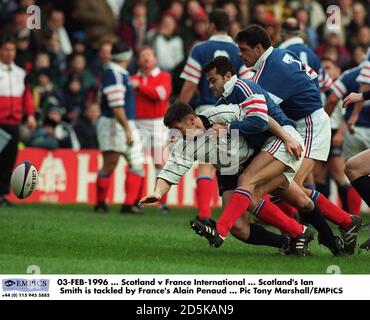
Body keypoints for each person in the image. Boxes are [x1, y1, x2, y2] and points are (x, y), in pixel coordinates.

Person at [190, 56, 343, 256]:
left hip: (276, 146)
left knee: (266, 192)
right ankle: (297, 238)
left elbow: (263, 120)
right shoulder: (218, 108)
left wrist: (286, 137)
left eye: (213, 80)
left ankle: (319, 235)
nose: (210, 86)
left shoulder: (242, 89)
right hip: (254, 157)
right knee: (242, 224)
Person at [235, 25, 361, 255]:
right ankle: (336, 224)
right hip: (300, 123)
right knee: (288, 187)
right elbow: (312, 78)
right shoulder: (282, 54)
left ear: (258, 47)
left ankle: (306, 233)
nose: (240, 55)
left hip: (308, 124)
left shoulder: (268, 72)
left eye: (243, 50)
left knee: (289, 186)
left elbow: (261, 118)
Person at [140, 101, 314, 256]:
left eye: (178, 129)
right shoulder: (183, 145)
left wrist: (286, 137)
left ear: (192, 120)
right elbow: (169, 174)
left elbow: (260, 117)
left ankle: (325, 230)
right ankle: (288, 241)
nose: (177, 135)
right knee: (239, 228)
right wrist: (157, 193)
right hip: (228, 171)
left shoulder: (223, 113)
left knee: (303, 201)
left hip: (256, 160)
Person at [179, 8, 251, 220]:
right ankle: (236, 215)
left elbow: (191, 84)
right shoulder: (239, 50)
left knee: (205, 163)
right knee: (233, 165)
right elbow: (247, 84)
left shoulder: (200, 49)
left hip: (206, 112)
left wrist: (180, 111)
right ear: (229, 26)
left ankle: (203, 214)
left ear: (210, 25)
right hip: (232, 115)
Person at [95, 43, 145, 214]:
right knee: (110, 164)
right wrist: (126, 128)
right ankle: (100, 203)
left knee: (137, 162)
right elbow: (116, 106)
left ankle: (128, 204)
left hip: (125, 122)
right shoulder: (113, 73)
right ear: (126, 57)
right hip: (114, 123)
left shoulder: (120, 73)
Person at [131, 46, 172, 213]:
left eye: (148, 55)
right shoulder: (133, 78)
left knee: (159, 162)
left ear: (155, 58)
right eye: (142, 56)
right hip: (138, 123)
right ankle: (136, 201)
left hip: (158, 122)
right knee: (136, 160)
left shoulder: (164, 76)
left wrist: (140, 87)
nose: (145, 58)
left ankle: (162, 202)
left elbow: (161, 94)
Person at [0, 35, 36, 206]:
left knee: (8, 161)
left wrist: (30, 115)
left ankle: (3, 195)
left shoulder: (20, 73)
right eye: (6, 49)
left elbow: (26, 96)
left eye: (12, 49)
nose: (9, 53)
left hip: (13, 124)